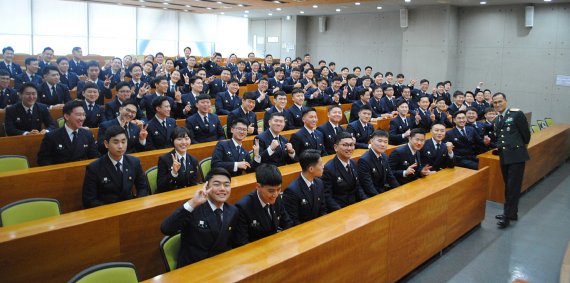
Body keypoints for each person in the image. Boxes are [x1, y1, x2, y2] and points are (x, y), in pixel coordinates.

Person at [160, 167, 238, 267]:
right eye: (216, 184)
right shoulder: (193, 208)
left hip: (219, 265)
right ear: (206, 187)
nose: (222, 188)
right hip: (194, 267)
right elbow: (166, 228)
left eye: (226, 185)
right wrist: (192, 203)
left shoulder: (233, 211)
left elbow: (232, 243)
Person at [82, 125, 149, 208]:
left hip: (130, 207)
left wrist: (137, 204)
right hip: (106, 212)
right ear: (106, 144)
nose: (120, 146)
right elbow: (89, 200)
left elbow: (143, 187)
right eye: (116, 142)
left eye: (123, 142)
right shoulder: (94, 168)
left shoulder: (134, 162)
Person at [492, 92, 531, 229]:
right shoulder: (497, 120)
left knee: (512, 187)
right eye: (495, 103)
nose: (497, 104)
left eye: (500, 101)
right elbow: (500, 138)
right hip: (504, 156)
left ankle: (507, 216)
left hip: (516, 156)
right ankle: (511, 213)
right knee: (508, 186)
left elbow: (526, 135)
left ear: (506, 101)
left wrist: (518, 147)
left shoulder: (516, 114)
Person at [234, 164, 292, 246]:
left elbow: (287, 222)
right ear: (258, 186)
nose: (275, 194)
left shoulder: (277, 198)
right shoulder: (243, 207)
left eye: (279, 189)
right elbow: (242, 243)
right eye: (271, 191)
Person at [37, 100, 99, 166]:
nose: (82, 118)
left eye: (84, 115)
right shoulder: (51, 136)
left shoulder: (87, 134)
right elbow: (43, 160)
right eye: (78, 115)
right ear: (66, 116)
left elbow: (94, 156)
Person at [321, 132, 367, 212]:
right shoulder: (329, 168)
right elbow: (327, 196)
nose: (349, 148)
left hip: (355, 207)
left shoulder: (353, 163)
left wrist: (366, 201)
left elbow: (358, 187)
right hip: (340, 210)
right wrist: (341, 212)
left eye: (351, 145)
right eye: (345, 145)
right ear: (335, 147)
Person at [282, 149, 328, 226]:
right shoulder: (292, 191)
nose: (323, 166)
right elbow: (293, 221)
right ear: (311, 169)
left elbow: (323, 209)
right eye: (320, 164)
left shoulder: (319, 183)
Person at [358, 130, 400, 197]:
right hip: (371, 196)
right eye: (379, 141)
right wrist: (380, 198)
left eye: (385, 142)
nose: (383, 144)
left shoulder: (384, 156)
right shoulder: (364, 160)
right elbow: (368, 186)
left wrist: (399, 189)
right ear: (371, 141)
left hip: (383, 191)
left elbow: (390, 177)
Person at [157, 127, 199, 193]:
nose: (184, 142)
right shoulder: (164, 159)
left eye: (187, 139)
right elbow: (160, 187)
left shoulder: (193, 160)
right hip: (170, 195)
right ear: (172, 140)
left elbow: (194, 183)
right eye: (179, 139)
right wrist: (173, 173)